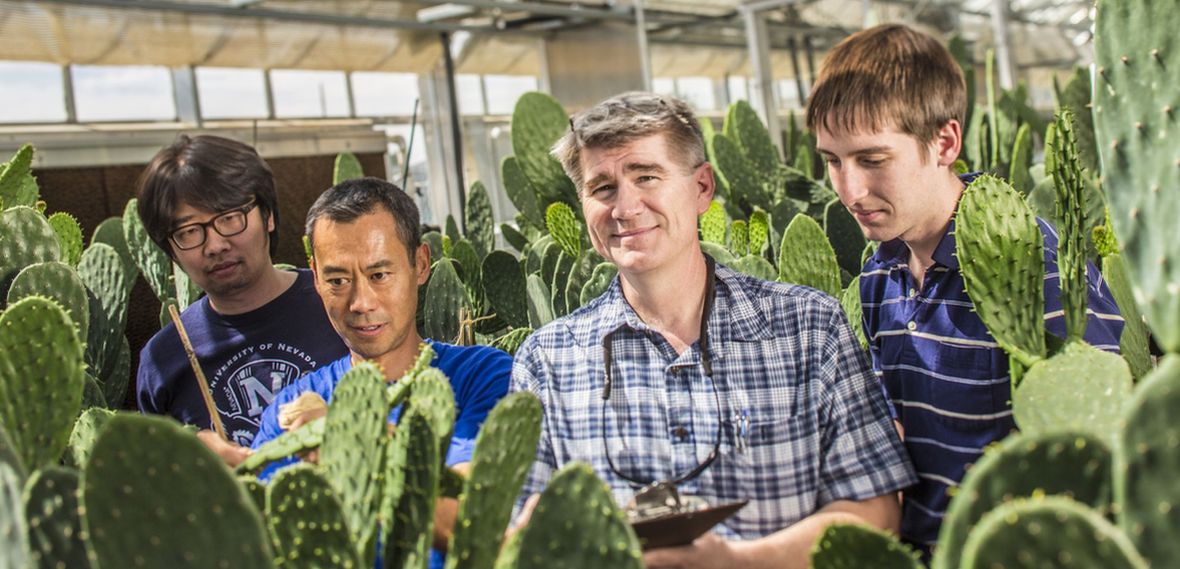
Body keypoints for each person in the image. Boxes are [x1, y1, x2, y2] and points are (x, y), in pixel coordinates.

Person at [510, 92, 917, 568]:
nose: (625, 207)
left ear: (702, 187)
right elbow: (523, 538)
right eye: (602, 188)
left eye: (646, 177)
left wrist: (739, 562)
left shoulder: (810, 327)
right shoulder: (547, 360)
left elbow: (876, 510)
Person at [806, 24, 1125, 555]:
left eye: (872, 159)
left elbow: (1097, 446)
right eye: (832, 161)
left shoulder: (1037, 268)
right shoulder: (877, 276)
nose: (850, 190)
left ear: (945, 142)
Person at [252, 177, 512, 569]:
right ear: (316, 278)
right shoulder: (289, 408)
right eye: (338, 280)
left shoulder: (486, 377)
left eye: (379, 275)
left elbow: (477, 521)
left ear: (420, 264)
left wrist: (357, 442)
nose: (361, 302)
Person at [135, 134, 348, 466]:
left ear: (268, 215)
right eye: (189, 231)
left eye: (229, 217)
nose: (215, 244)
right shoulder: (165, 358)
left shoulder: (341, 302)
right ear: (171, 250)